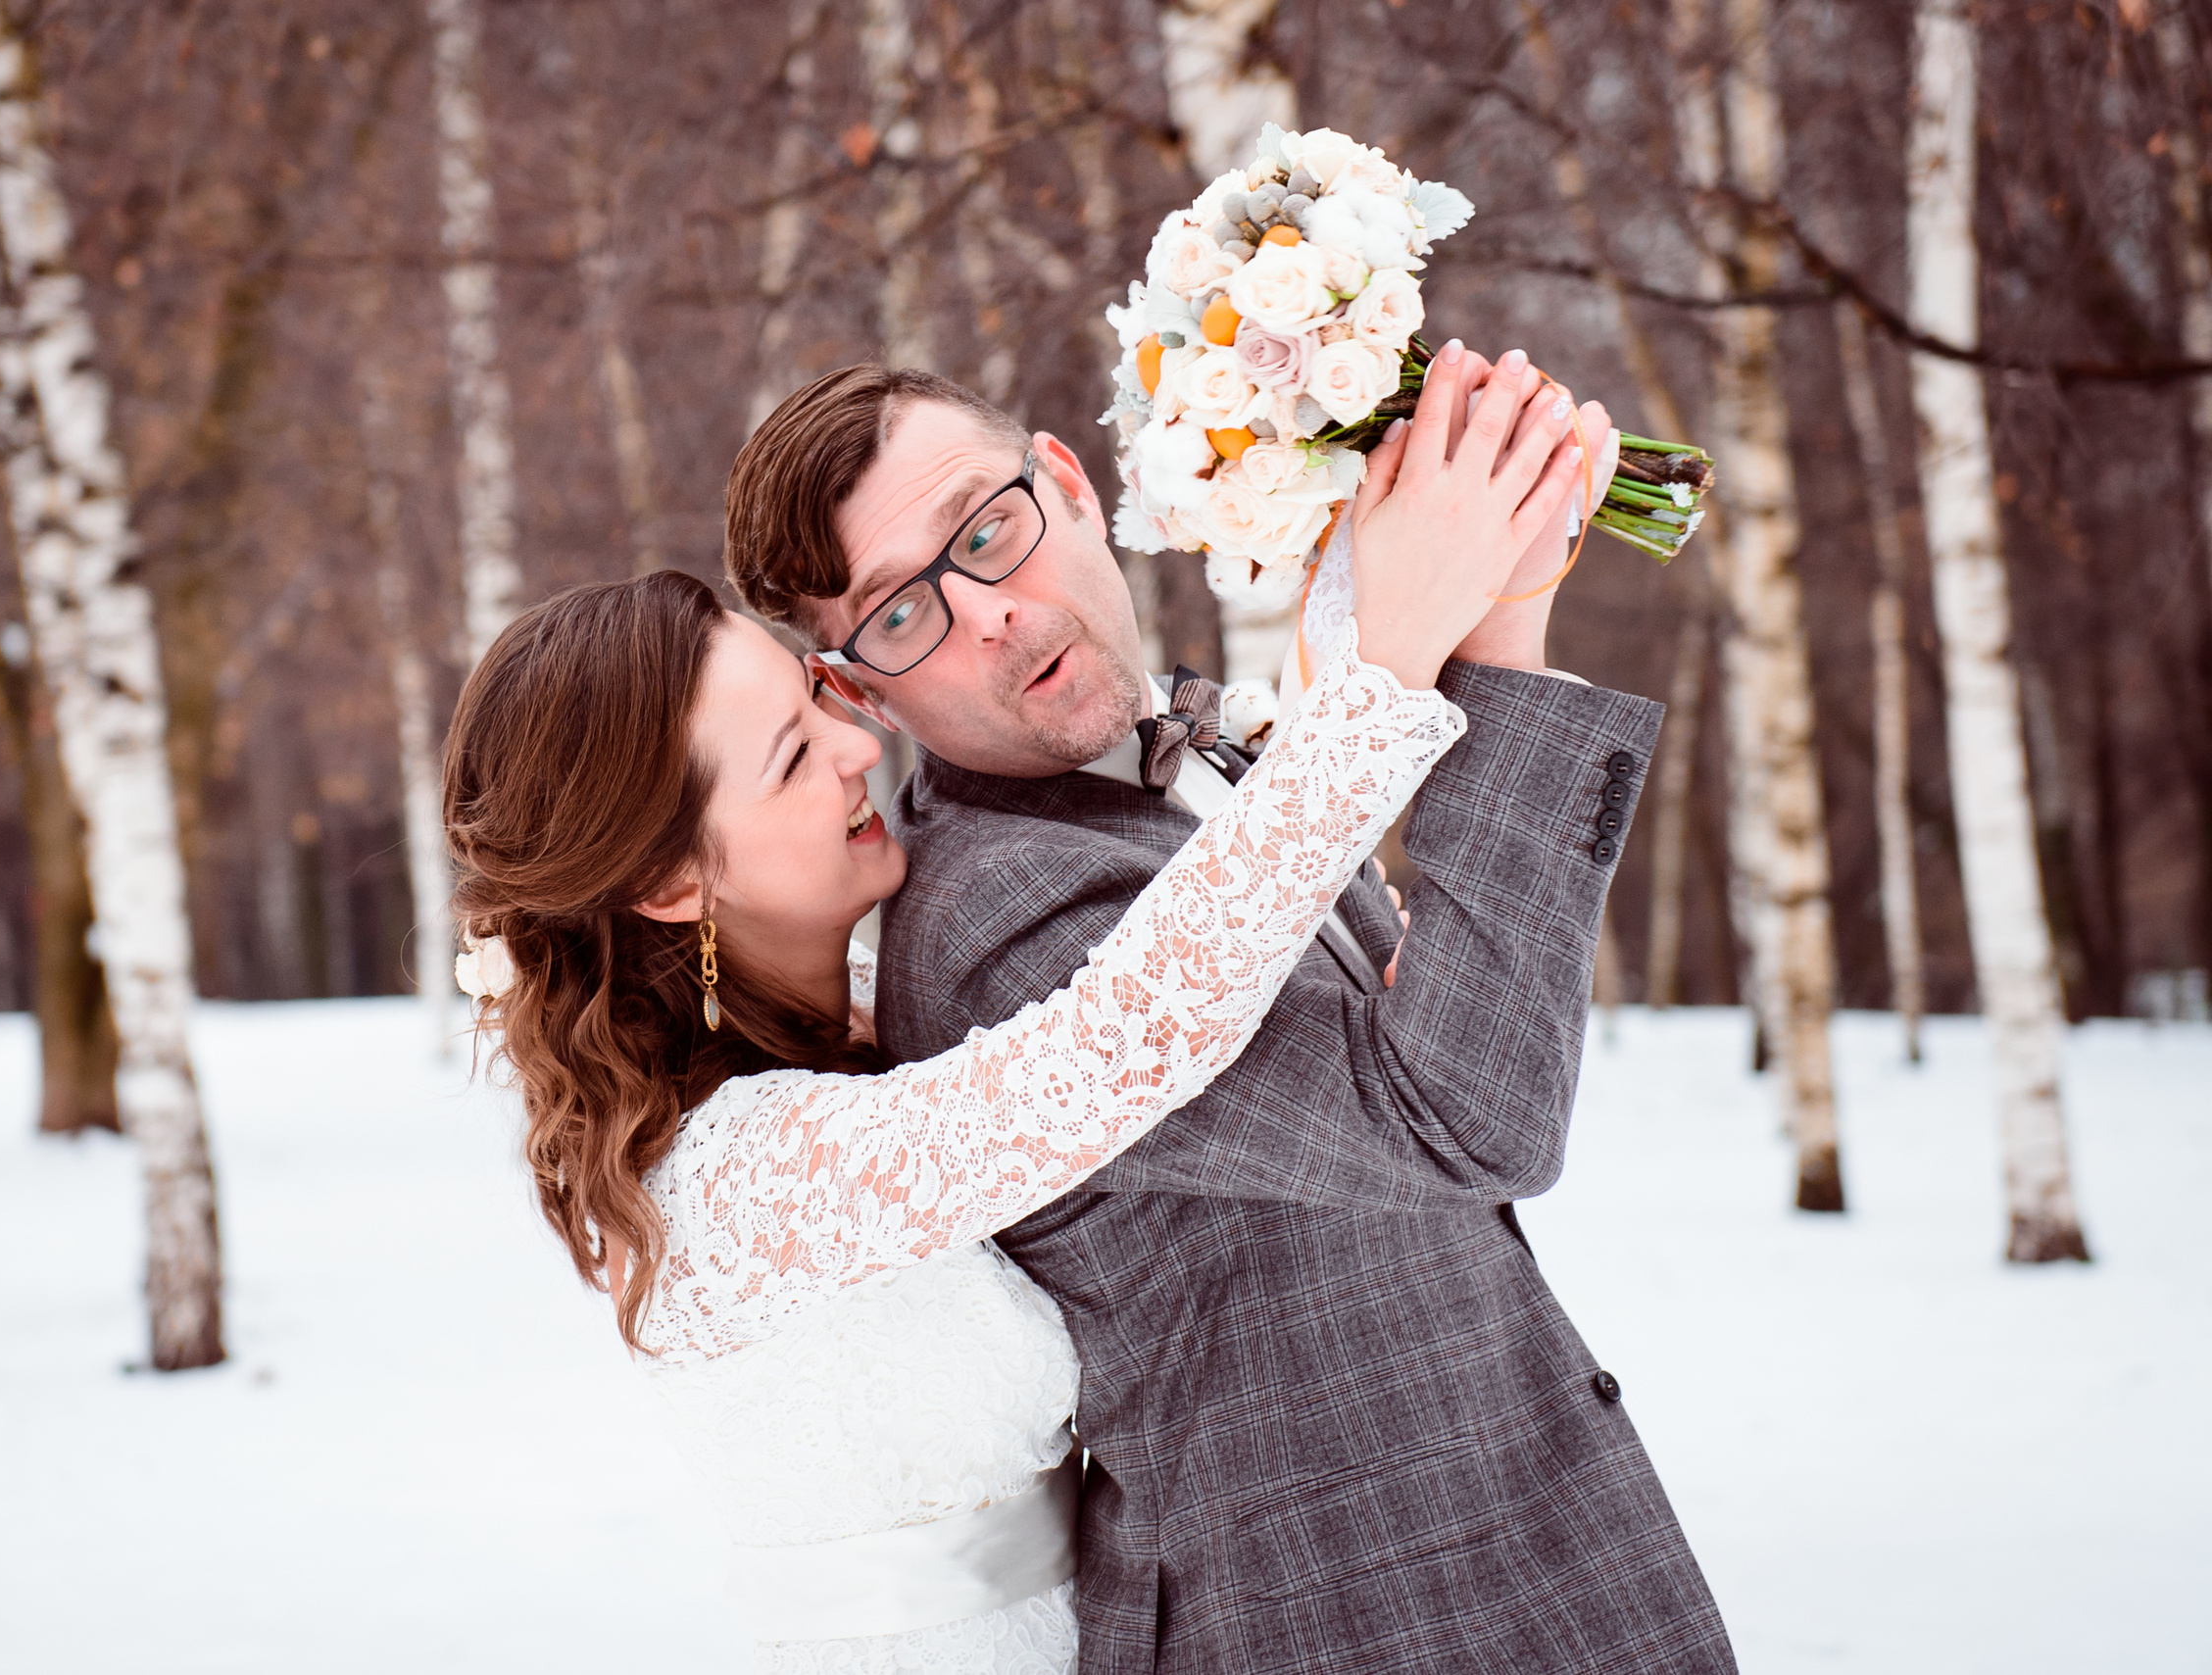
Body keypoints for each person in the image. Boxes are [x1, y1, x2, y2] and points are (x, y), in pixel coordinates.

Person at [441, 353, 1583, 1672]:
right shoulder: (742, 1177)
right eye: (790, 761)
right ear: (668, 882)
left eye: (817, 698)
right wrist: (1388, 674)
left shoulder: (864, 1018)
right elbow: (1119, 1041)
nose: (860, 745)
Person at [722, 344, 1738, 1674]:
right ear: (859, 686)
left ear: (1071, 486)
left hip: (1525, 1569)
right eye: (903, 614)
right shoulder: (995, 933)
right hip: (1335, 1625)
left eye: (988, 532)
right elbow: (1469, 1113)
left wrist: (1500, 576)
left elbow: (1430, 1046)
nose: (990, 615)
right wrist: (1496, 645)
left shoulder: (1198, 758)